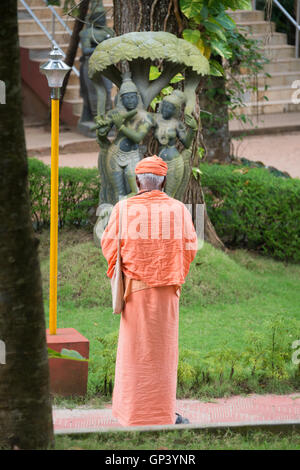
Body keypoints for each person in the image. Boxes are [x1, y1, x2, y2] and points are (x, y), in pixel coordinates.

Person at [101, 155, 198, 426]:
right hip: (167, 294)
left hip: (135, 293)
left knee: (135, 354)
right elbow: (190, 247)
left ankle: (131, 413)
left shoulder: (123, 208)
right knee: (162, 354)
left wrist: (127, 271)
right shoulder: (178, 209)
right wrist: (172, 273)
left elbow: (109, 246)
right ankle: (162, 414)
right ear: (164, 181)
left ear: (137, 181)